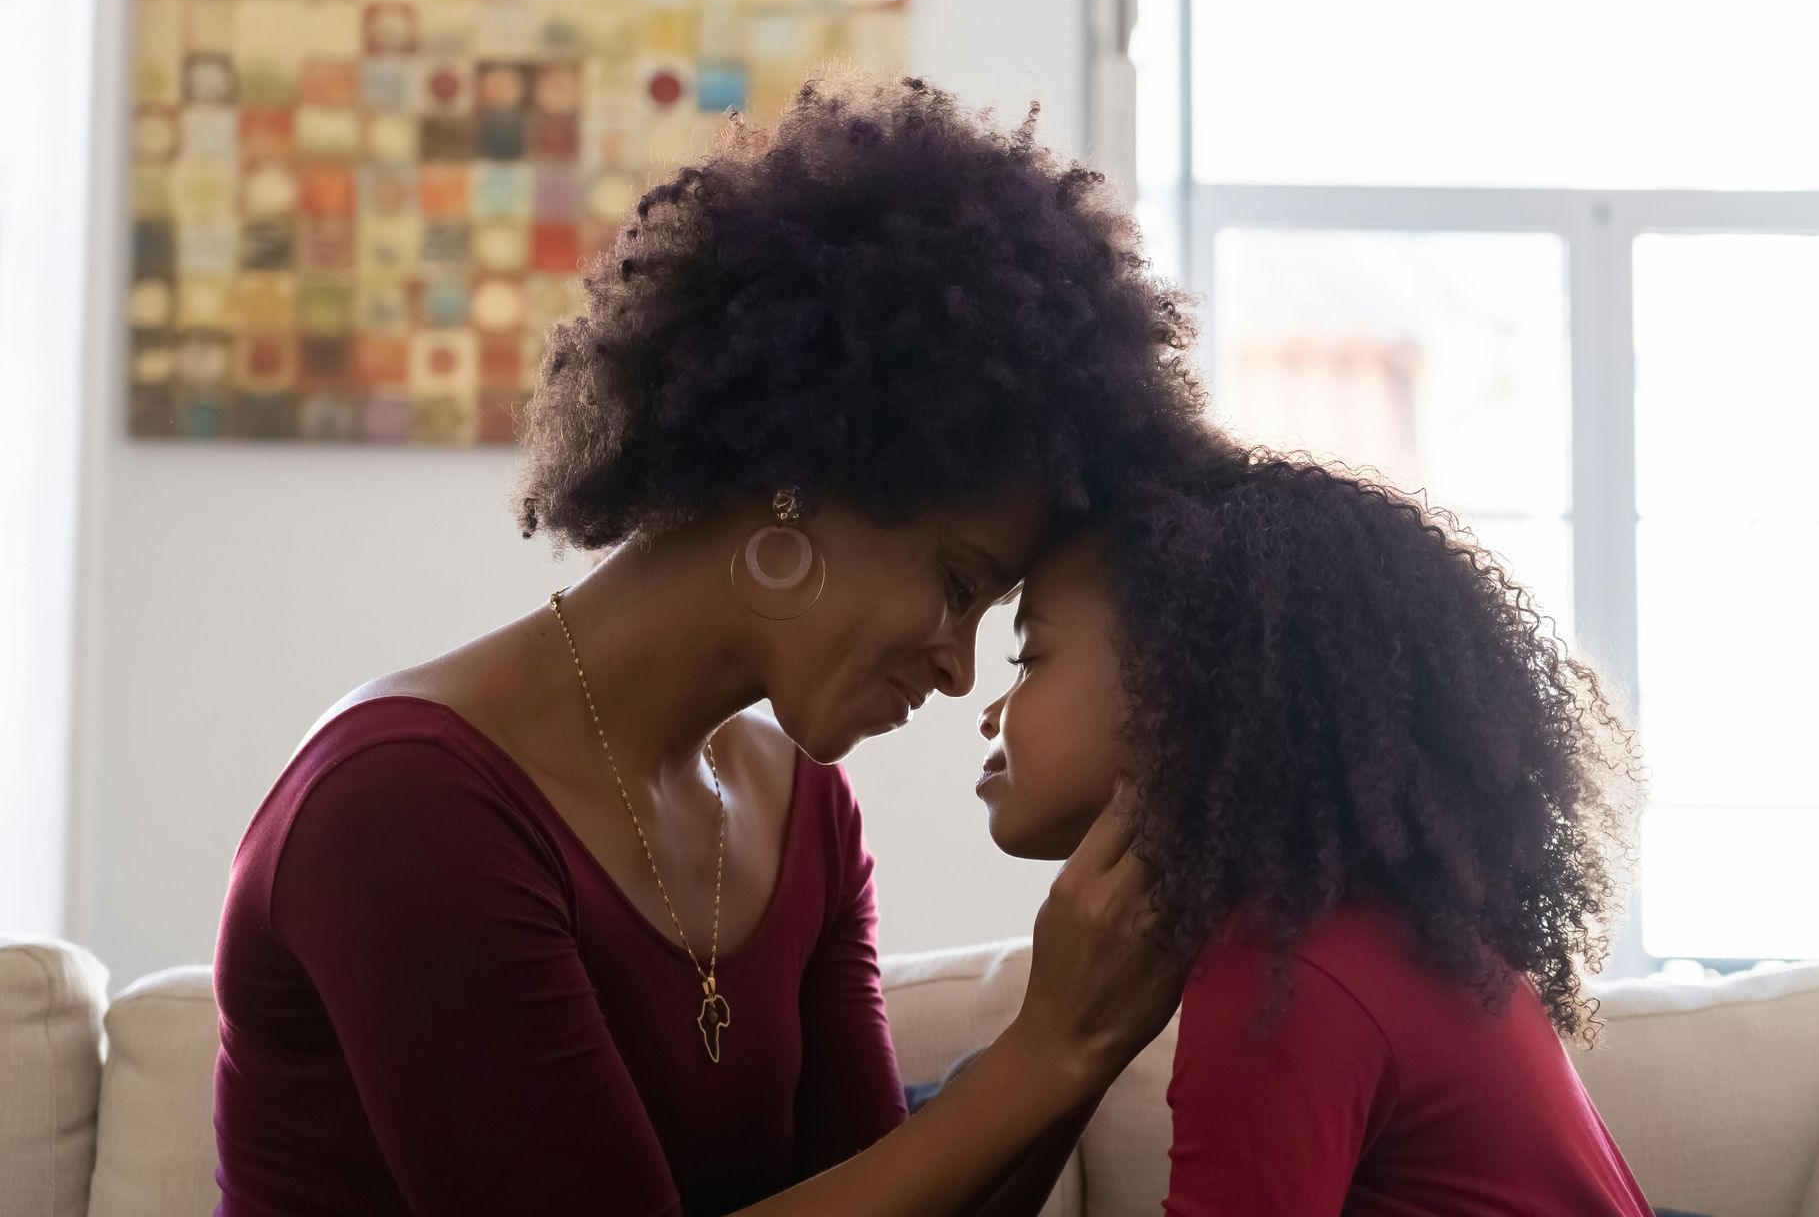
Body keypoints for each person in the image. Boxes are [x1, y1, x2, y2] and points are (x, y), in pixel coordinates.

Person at [212, 70, 1219, 1217]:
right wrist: (1043, 1049)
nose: (956, 667)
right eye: (956, 583)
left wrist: (1086, 1043)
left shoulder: (803, 813)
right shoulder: (400, 805)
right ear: (805, 475)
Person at [976, 448, 1657, 1215]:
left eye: (1028, 658)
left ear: (1185, 688)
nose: (989, 711)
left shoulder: (1284, 972)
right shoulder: (1377, 931)